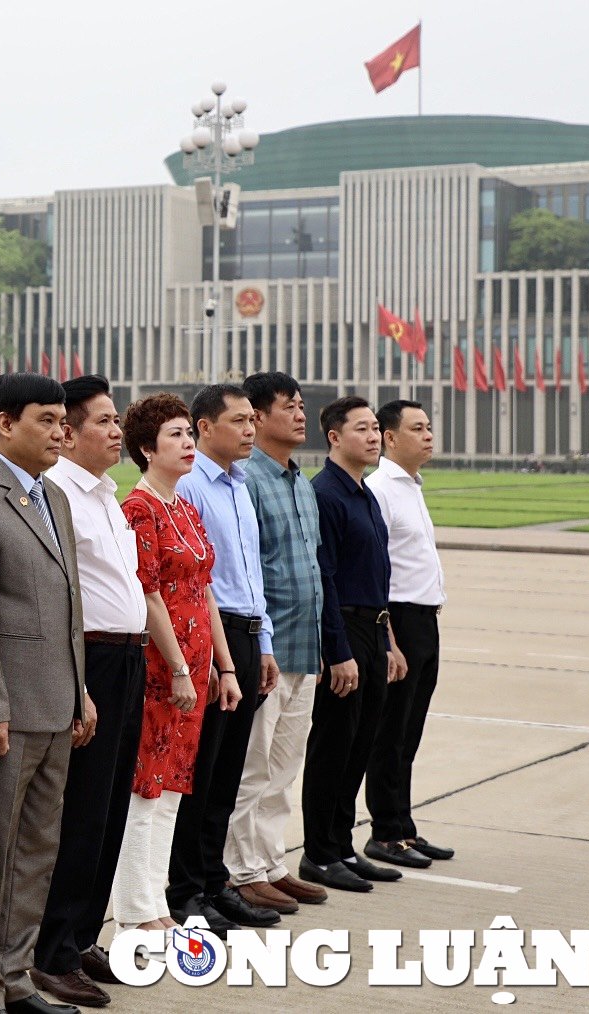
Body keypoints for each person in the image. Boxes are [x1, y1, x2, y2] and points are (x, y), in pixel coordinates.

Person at [0, 372, 93, 1014]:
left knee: (35, 851)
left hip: (59, 703)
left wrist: (81, 693)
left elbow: (68, 604)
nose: (62, 431)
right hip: (10, 709)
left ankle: (16, 975)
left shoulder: (54, 498)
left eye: (65, 419)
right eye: (47, 419)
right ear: (6, 423)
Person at [30, 375, 149, 1009]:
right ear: (68, 432)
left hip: (127, 657)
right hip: (90, 659)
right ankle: (51, 951)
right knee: (76, 813)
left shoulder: (106, 494)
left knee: (108, 810)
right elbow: (63, 601)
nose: (116, 430)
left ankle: (81, 936)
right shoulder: (60, 496)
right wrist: (76, 683)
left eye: (116, 420)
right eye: (104, 421)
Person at [110, 393, 234, 936]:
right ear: (145, 448)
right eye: (176, 436)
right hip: (161, 669)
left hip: (192, 664)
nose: (189, 444)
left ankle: (156, 904)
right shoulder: (138, 509)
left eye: (190, 434)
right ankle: (135, 912)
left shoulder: (183, 506)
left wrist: (219, 664)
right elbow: (149, 593)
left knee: (175, 790)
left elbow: (204, 590)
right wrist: (182, 667)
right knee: (147, 788)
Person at [165, 384, 279, 935]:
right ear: (204, 427)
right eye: (238, 421)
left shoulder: (240, 485)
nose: (250, 430)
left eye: (252, 420)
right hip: (214, 634)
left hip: (246, 630)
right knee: (202, 773)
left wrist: (265, 642)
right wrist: (212, 656)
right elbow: (196, 582)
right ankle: (185, 889)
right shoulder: (191, 488)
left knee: (228, 772)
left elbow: (252, 574)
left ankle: (214, 881)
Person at [224, 372, 329, 913]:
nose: (301, 414)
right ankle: (241, 871)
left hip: (304, 647)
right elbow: (245, 574)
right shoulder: (245, 482)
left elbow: (313, 569)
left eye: (302, 406)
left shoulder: (301, 482)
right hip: (268, 649)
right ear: (258, 418)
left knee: (284, 769)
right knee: (252, 767)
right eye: (290, 407)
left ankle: (270, 864)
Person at [300, 395, 406, 893]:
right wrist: (337, 649)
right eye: (361, 428)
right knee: (334, 745)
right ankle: (319, 852)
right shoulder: (326, 494)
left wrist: (388, 642)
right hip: (342, 627)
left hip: (372, 627)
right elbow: (328, 577)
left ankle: (342, 845)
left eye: (375, 429)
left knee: (360, 743)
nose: (373, 436)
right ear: (335, 437)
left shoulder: (363, 493)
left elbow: (376, 575)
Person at [364, 400, 455, 868]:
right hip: (398, 619)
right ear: (390, 437)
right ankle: (384, 832)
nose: (428, 435)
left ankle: (403, 826)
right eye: (417, 428)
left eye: (429, 427)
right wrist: (390, 638)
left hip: (425, 619)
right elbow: (378, 568)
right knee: (390, 733)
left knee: (410, 731)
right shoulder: (380, 488)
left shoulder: (412, 487)